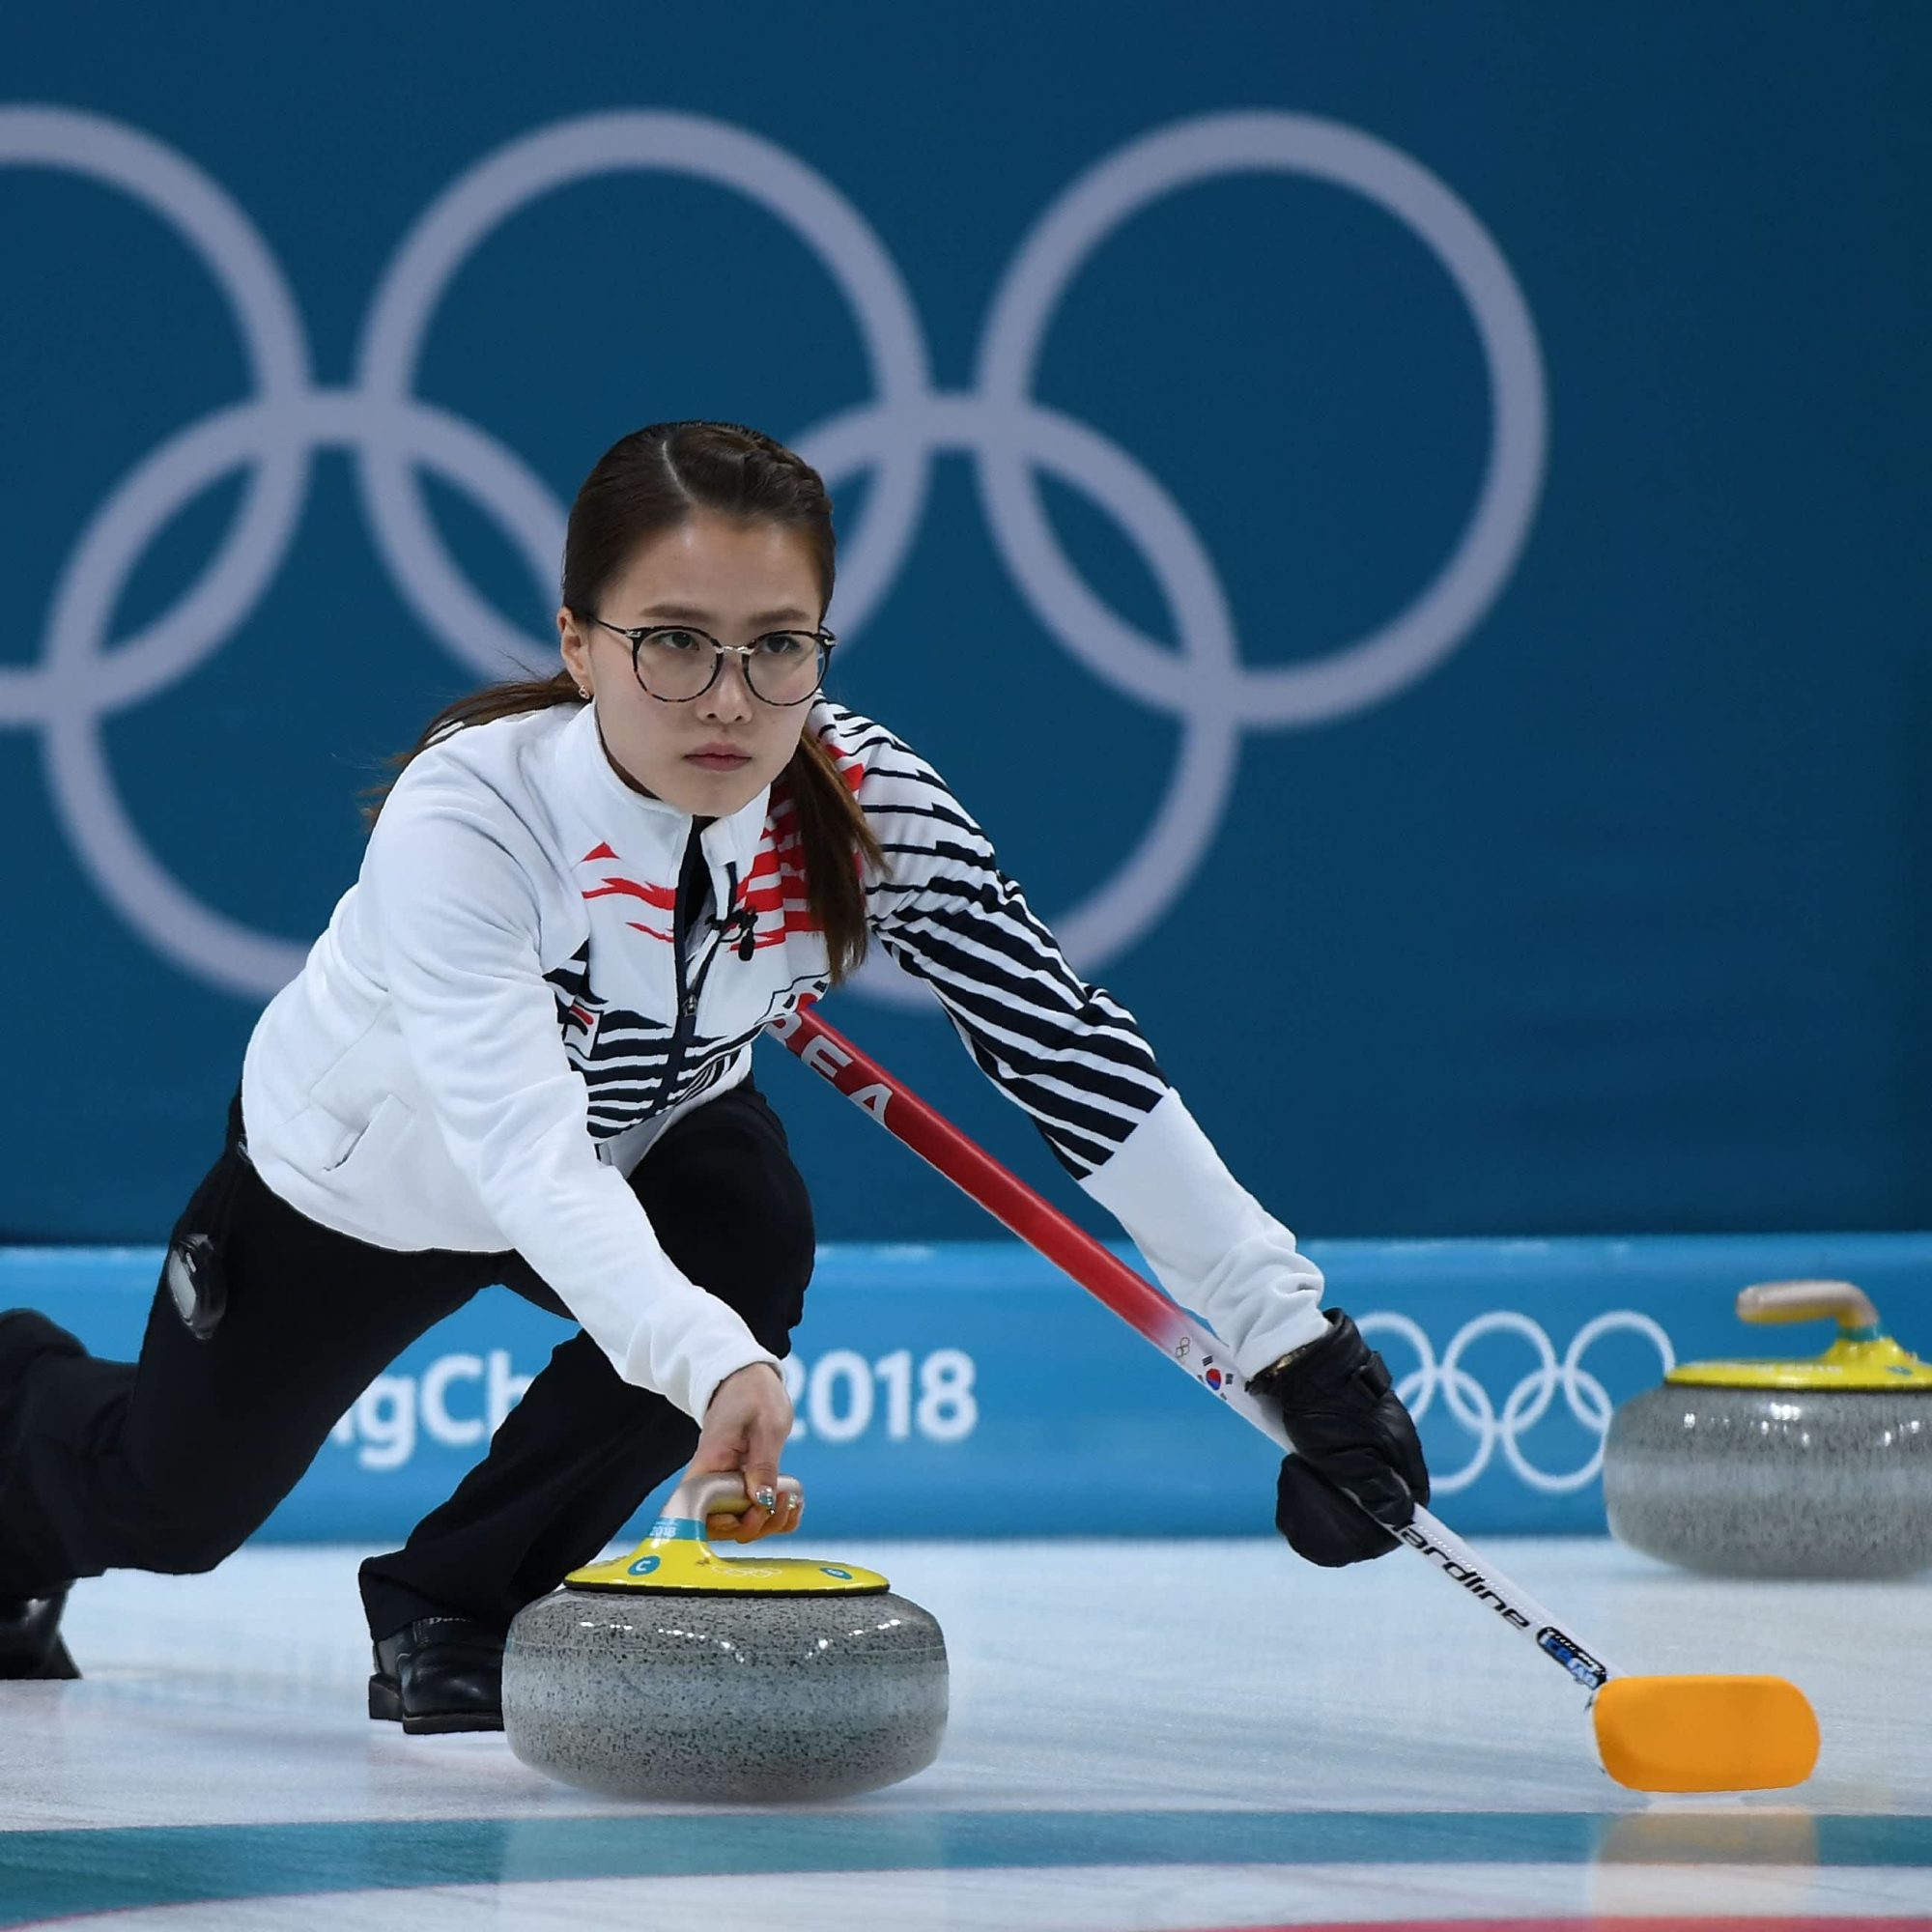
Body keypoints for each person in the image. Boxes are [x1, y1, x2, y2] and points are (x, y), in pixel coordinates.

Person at [0, 421, 1429, 1727]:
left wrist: (1293, 1343)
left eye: (779, 648)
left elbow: (1068, 1052)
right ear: (579, 643)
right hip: (366, 1182)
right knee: (166, 1509)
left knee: (744, 1228)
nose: (731, 701)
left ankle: (459, 1601)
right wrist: (715, 1361)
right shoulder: (473, 817)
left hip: (649, 1132)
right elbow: (523, 1155)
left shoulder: (864, 804)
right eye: (675, 644)